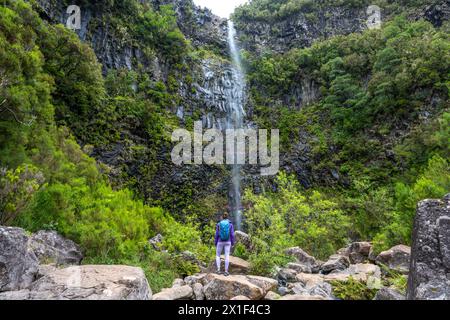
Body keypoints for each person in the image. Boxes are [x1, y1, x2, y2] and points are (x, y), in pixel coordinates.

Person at [214, 212, 235, 276]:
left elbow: (217, 234)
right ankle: (226, 271)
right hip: (228, 242)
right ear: (227, 217)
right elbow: (232, 234)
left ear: (222, 217)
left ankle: (218, 270)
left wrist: (215, 242)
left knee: (218, 255)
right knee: (227, 256)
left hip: (220, 241)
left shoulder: (219, 224)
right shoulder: (230, 224)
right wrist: (232, 242)